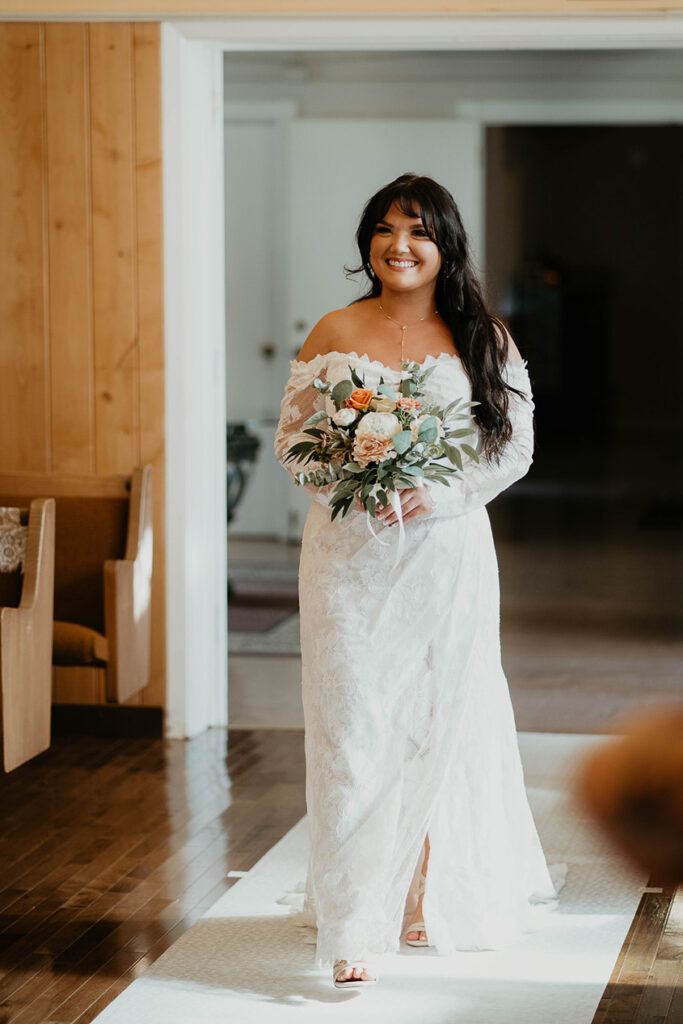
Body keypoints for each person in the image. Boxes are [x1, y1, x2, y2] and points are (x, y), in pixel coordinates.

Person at [274, 173, 561, 990]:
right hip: (347, 558)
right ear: (367, 241)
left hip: (445, 555)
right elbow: (293, 443)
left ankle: (426, 893)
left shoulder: (483, 337)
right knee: (351, 730)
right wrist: (350, 482)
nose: (399, 246)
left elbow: (514, 452)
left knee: (442, 721)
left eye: (417, 232)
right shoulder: (334, 329)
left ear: (444, 247)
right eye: (385, 230)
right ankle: (352, 921)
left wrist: (439, 489)